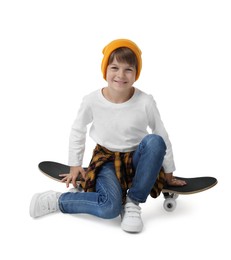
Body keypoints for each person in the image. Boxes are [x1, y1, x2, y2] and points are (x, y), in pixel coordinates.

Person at [29, 39, 186, 233]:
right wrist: (75, 164)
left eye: (128, 69)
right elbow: (78, 129)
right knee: (109, 207)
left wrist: (168, 171)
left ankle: (132, 203)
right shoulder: (92, 100)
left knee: (155, 141)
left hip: (138, 160)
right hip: (107, 161)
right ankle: (58, 200)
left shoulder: (145, 101)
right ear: (105, 70)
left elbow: (161, 133)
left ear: (136, 73)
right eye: (114, 67)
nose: (121, 75)